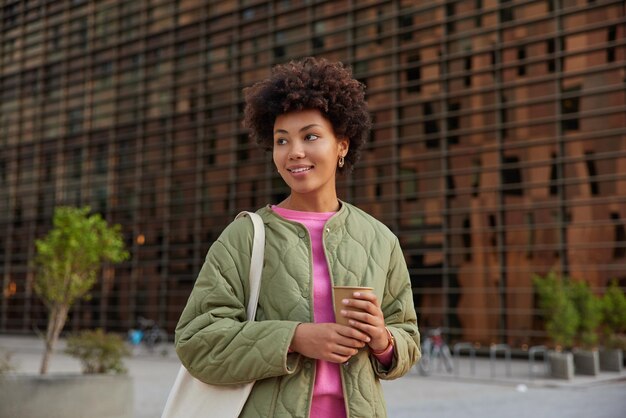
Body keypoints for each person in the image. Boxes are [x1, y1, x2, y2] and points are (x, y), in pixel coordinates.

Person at [175, 57, 421, 418]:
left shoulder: (379, 239)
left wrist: (384, 340)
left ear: (343, 145)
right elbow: (196, 340)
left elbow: (409, 338)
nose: (295, 152)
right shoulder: (246, 236)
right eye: (281, 140)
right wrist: (296, 338)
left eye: (310, 136)